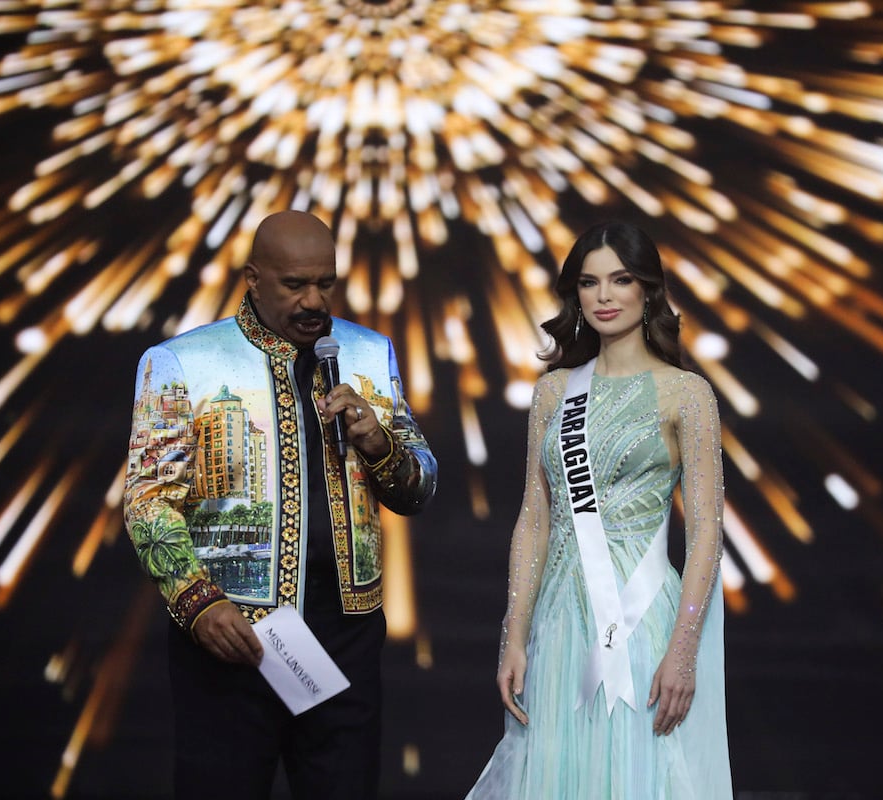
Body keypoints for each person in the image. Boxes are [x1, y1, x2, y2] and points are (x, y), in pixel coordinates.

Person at [123, 210, 437, 799]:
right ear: (253, 278)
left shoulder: (369, 353)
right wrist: (197, 603)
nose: (314, 299)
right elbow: (147, 502)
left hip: (346, 628)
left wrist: (377, 441)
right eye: (295, 284)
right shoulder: (181, 361)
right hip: (231, 628)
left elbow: (420, 488)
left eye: (326, 282)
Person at [465, 221, 732, 798]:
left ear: (648, 290)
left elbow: (708, 533)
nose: (605, 296)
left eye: (621, 280)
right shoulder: (552, 392)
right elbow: (534, 520)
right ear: (576, 296)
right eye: (590, 283)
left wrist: (683, 651)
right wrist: (514, 636)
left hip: (643, 625)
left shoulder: (687, 394)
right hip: (558, 624)